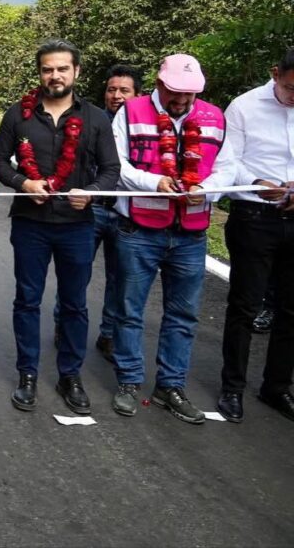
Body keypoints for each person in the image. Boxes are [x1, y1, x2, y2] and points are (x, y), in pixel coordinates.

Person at [0, 39, 120, 415]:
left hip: (77, 225)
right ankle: (27, 374)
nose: (55, 75)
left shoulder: (95, 118)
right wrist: (23, 183)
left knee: (74, 303)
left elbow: (111, 169)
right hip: (30, 223)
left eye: (63, 68)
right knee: (27, 300)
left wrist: (92, 193)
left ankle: (70, 376)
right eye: (48, 69)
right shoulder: (18, 115)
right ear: (39, 73)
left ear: (76, 71)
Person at [110, 54, 233, 423]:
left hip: (191, 233)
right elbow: (117, 164)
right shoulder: (130, 111)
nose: (181, 100)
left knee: (183, 314)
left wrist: (207, 190)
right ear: (159, 84)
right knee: (129, 310)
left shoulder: (214, 117)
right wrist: (154, 182)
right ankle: (128, 381)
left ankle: (170, 386)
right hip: (139, 228)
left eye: (189, 94)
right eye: (175, 92)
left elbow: (228, 166)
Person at [217, 47, 294, 423]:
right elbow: (227, 162)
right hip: (254, 216)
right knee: (245, 306)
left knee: (291, 309)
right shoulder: (244, 107)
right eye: (291, 88)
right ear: (275, 73)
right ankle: (232, 387)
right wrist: (256, 182)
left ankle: (276, 387)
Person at [55, 64, 143, 360]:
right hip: (89, 210)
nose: (117, 96)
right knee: (75, 273)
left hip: (125, 213)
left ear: (138, 94)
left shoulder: (143, 127)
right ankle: (64, 325)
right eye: (111, 89)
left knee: (120, 279)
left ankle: (109, 334)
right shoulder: (89, 119)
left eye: (124, 91)